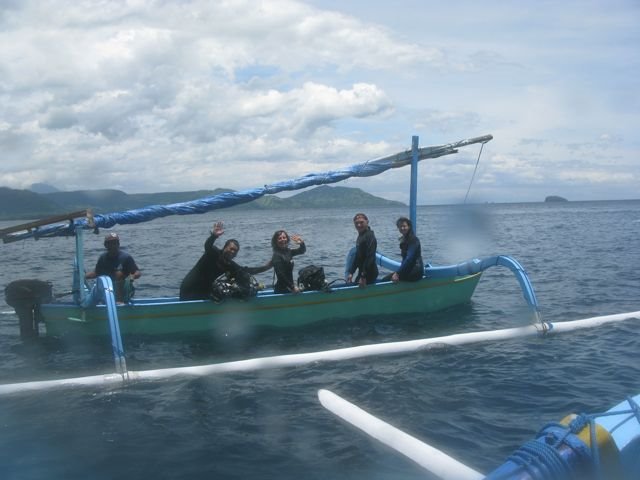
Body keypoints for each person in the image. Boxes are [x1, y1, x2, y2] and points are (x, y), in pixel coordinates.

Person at [179, 221, 270, 301]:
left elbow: (247, 270)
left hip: (203, 291)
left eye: (235, 251)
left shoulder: (230, 265)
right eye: (231, 249)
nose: (232, 252)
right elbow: (207, 245)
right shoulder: (213, 253)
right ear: (224, 247)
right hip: (189, 288)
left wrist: (267, 267)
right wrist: (214, 236)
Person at [86, 232, 141, 302]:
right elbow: (97, 273)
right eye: (110, 243)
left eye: (115, 243)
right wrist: (84, 277)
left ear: (118, 244)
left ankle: (119, 302)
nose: (113, 245)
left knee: (119, 274)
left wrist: (132, 276)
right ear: (105, 245)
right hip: (108, 290)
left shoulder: (126, 257)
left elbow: (137, 272)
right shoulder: (103, 258)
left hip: (125, 292)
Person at [346, 213, 378, 288]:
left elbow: (370, 257)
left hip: (369, 272)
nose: (359, 225)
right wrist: (351, 272)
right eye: (356, 223)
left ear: (367, 222)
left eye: (361, 222)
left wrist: (363, 276)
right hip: (362, 272)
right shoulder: (361, 235)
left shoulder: (370, 236)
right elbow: (358, 256)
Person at [270, 230, 306, 294]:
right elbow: (280, 275)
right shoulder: (276, 256)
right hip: (282, 290)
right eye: (279, 238)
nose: (283, 240)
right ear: (276, 241)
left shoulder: (288, 251)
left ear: (287, 239)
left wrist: (302, 243)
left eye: (284, 237)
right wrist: (293, 287)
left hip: (289, 288)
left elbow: (302, 251)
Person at [391, 216, 424, 282]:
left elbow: (409, 258)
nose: (402, 228)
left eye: (404, 226)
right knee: (389, 277)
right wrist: (399, 271)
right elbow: (404, 259)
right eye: (400, 226)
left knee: (388, 279)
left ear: (409, 226)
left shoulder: (413, 240)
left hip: (415, 271)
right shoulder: (404, 239)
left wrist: (398, 273)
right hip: (410, 269)